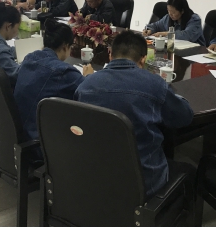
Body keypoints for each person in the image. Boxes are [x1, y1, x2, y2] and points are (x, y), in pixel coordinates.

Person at [75, 30, 194, 199]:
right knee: (189, 170)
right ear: (143, 59)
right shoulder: (155, 84)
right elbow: (184, 117)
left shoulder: (85, 85)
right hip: (143, 181)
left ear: (110, 54)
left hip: (94, 175)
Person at [14, 19, 93, 143]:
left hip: (16, 132)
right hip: (38, 141)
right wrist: (89, 76)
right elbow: (89, 92)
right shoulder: (63, 72)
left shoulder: (29, 58)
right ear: (65, 47)